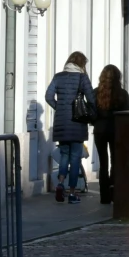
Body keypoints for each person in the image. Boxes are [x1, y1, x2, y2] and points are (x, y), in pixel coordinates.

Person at [45, 52, 97, 202]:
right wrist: (91, 114)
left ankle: (60, 184)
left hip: (61, 124)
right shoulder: (82, 77)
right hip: (77, 123)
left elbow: (48, 97)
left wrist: (59, 108)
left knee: (64, 155)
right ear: (81, 64)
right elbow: (91, 99)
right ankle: (73, 192)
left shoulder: (58, 76)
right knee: (75, 158)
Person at [92, 64, 129, 206]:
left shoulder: (96, 93)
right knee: (115, 161)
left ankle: (104, 197)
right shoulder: (122, 94)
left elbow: (91, 113)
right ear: (118, 78)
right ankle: (114, 191)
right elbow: (128, 112)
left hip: (100, 130)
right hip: (116, 130)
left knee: (103, 163)